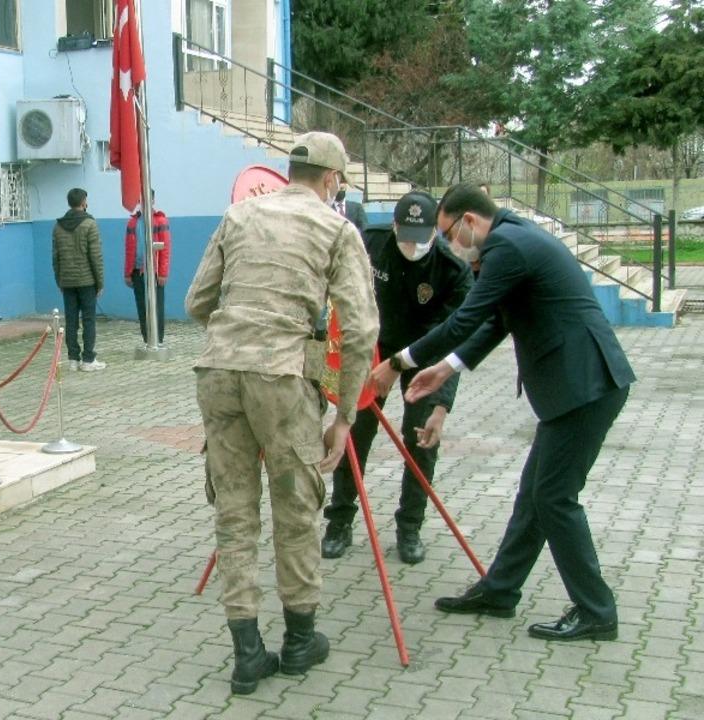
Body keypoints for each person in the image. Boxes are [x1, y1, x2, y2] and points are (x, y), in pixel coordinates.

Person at [372, 183, 635, 642]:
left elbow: (464, 319)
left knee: (554, 498)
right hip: (576, 388)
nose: (449, 244)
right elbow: (496, 321)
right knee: (535, 496)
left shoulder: (507, 246)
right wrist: (446, 367)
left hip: (586, 387)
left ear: (470, 221)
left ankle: (596, 610)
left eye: (448, 233)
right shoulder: (514, 238)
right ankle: (500, 590)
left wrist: (399, 362)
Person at [186, 132, 378, 694]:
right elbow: (361, 329)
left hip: (218, 371)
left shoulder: (238, 215)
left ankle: (247, 654)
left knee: (234, 512)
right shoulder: (337, 229)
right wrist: (344, 415)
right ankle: (299, 641)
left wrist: (240, 334)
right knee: (296, 510)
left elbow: (197, 302)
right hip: (284, 376)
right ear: (332, 180)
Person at [322, 191, 473, 564]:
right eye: (405, 236)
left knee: (421, 440)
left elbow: (453, 342)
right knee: (355, 434)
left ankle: (409, 528)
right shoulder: (369, 243)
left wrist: (441, 405)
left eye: (420, 237)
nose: (412, 245)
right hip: (373, 351)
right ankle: (339, 521)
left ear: (435, 231)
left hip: (424, 357)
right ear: (393, 226)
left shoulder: (453, 270)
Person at [52, 188, 105, 371]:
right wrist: (100, 283)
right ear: (83, 202)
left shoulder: (58, 226)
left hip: (67, 281)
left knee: (71, 320)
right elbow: (96, 257)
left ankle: (73, 359)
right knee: (89, 320)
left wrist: (59, 280)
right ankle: (88, 359)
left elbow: (55, 258)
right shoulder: (90, 224)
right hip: (87, 281)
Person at [123, 192, 171, 345]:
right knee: (142, 307)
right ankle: (147, 339)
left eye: (148, 198)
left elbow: (165, 248)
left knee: (157, 307)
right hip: (137, 271)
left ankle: (158, 340)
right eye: (141, 199)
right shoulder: (132, 223)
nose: (144, 202)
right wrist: (127, 272)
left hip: (154, 272)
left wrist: (162, 273)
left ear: (153, 200)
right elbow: (129, 249)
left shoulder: (160, 220)